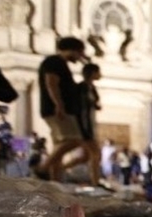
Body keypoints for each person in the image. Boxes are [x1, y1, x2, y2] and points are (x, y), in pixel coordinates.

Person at [34, 36, 86, 182]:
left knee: (59, 145)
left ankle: (54, 180)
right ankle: (43, 168)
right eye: (80, 52)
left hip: (55, 108)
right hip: (57, 110)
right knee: (74, 140)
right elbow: (51, 82)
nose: (81, 56)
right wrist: (59, 105)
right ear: (73, 50)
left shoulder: (57, 62)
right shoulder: (55, 62)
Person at [62, 63, 103, 186]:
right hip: (83, 127)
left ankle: (59, 167)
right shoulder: (81, 88)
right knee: (96, 154)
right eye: (98, 72)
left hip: (89, 125)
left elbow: (93, 103)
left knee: (85, 156)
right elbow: (79, 109)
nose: (100, 74)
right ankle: (95, 182)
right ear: (92, 73)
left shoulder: (92, 88)